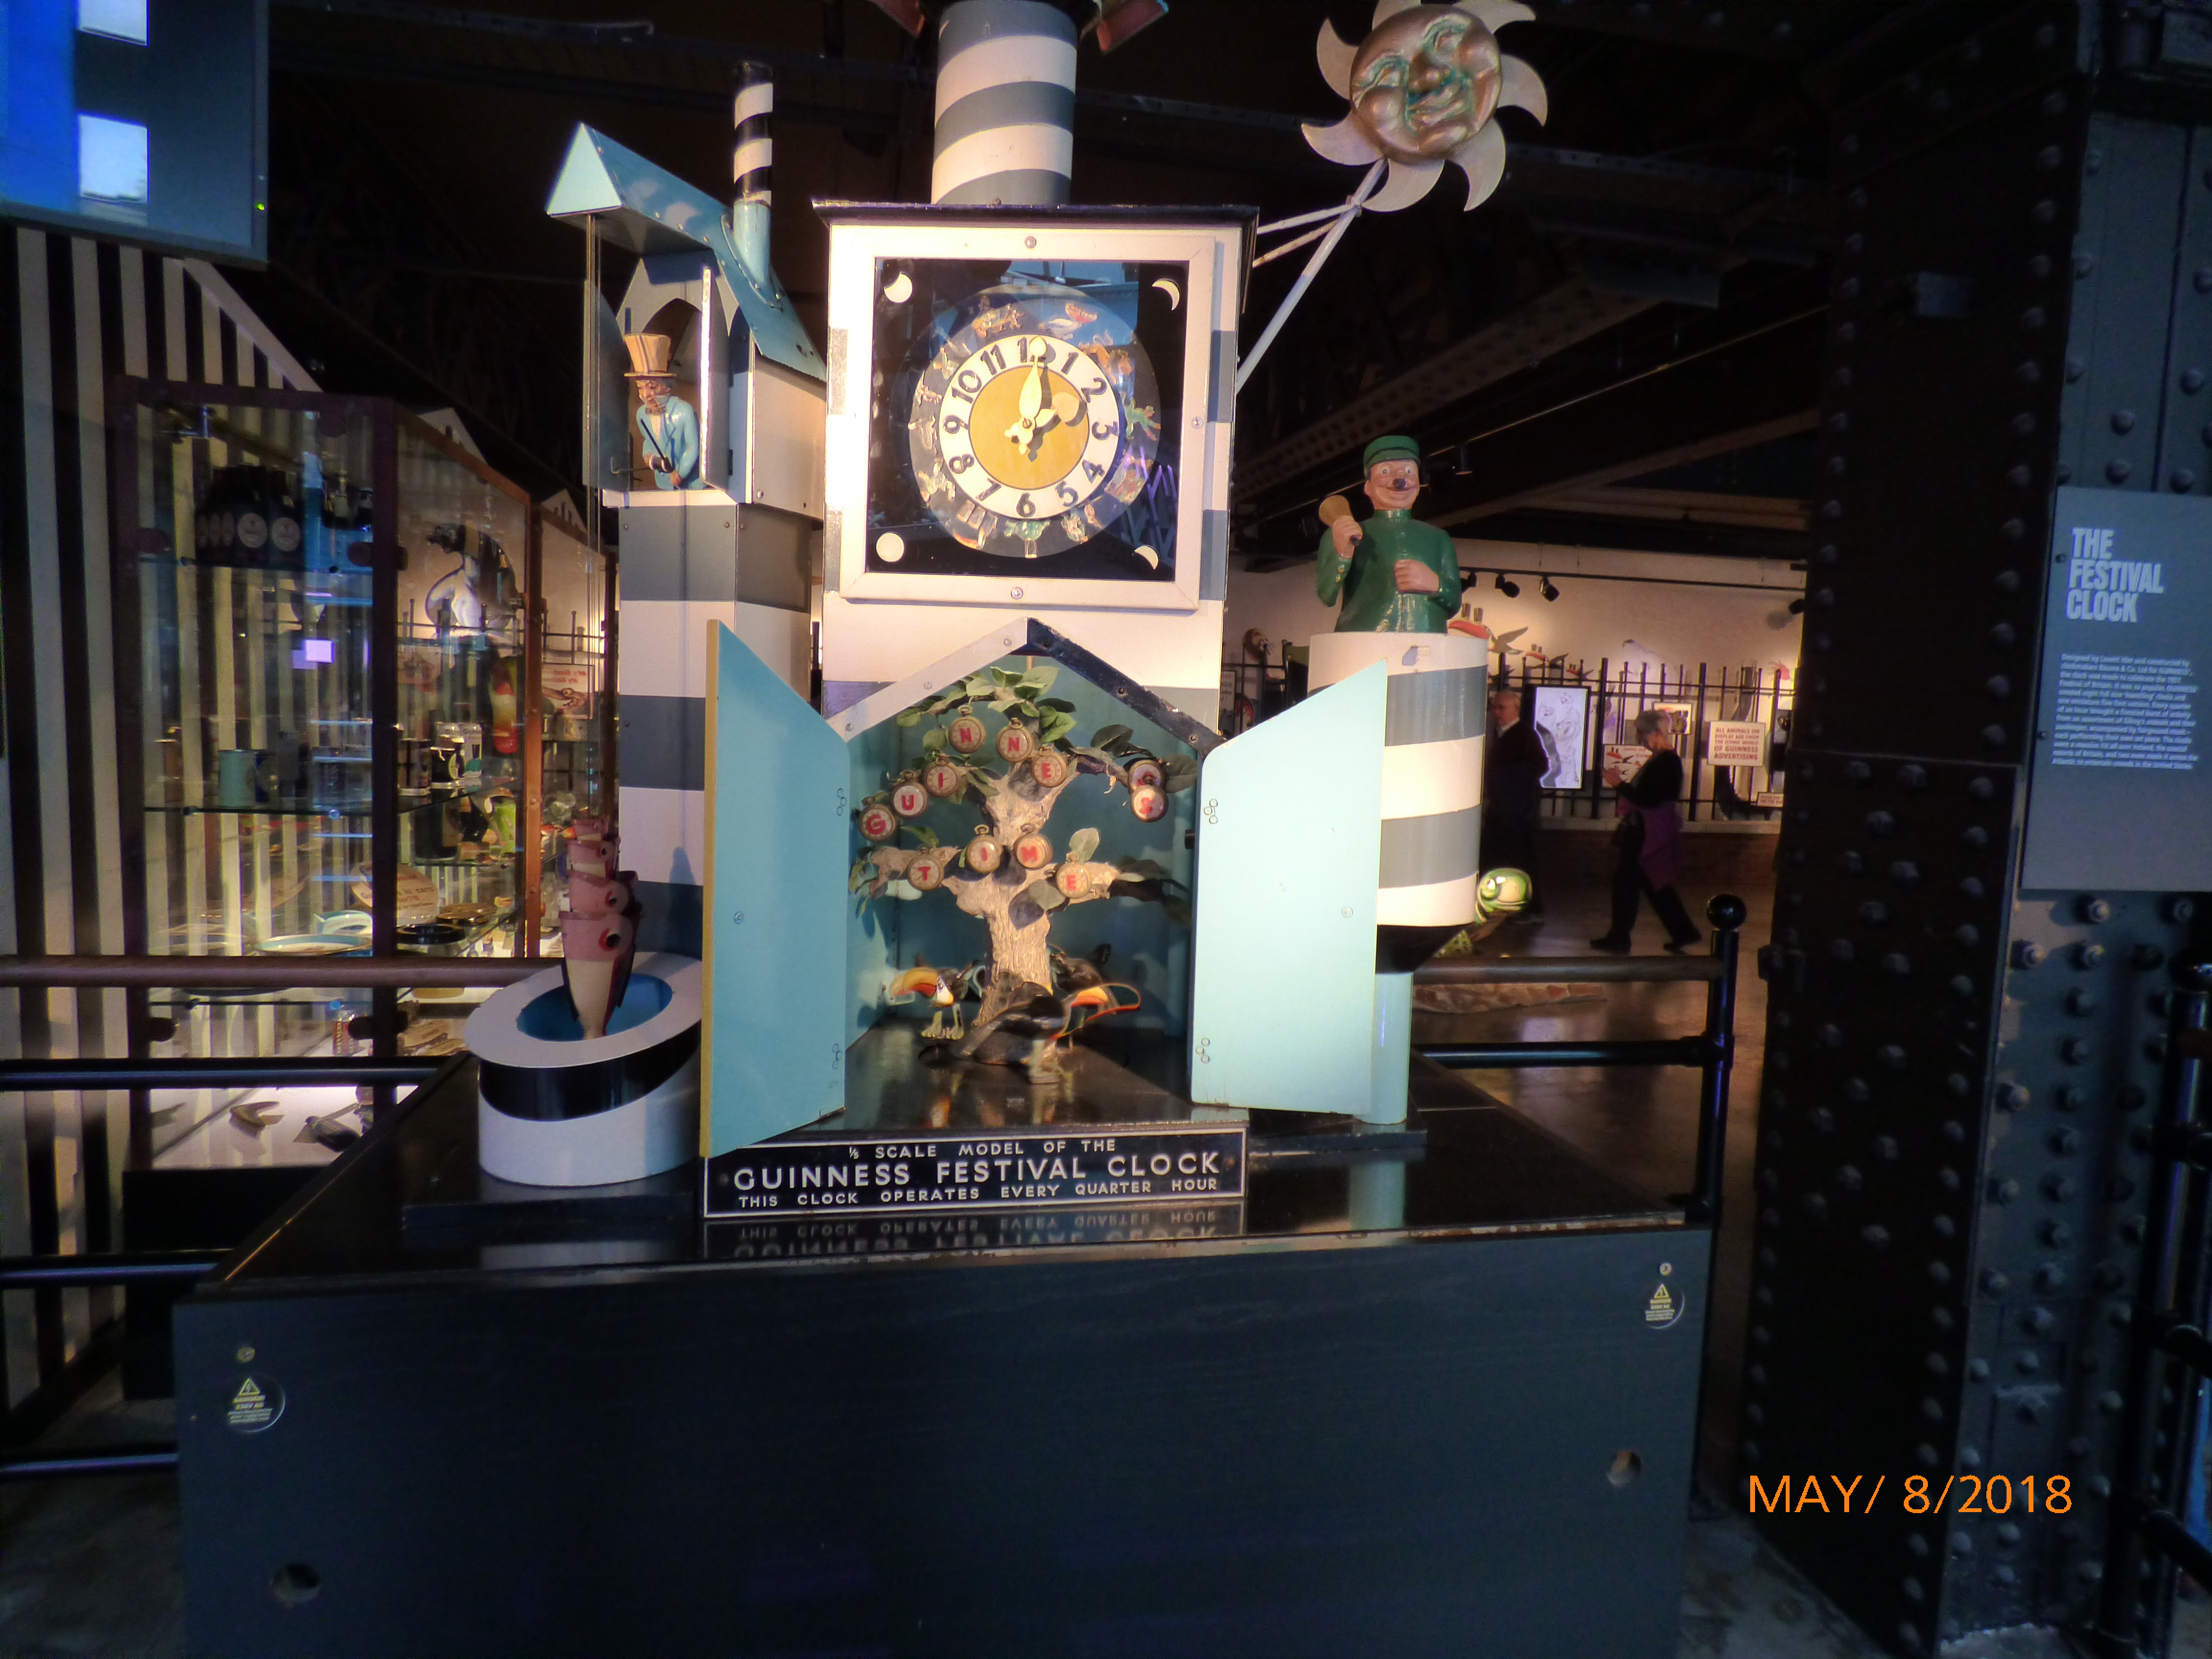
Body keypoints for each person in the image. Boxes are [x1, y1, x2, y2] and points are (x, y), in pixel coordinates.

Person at [1314, 435, 1463, 633]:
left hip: (1427, 644)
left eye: (1409, 472)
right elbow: (1326, 595)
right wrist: (1342, 554)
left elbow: (1454, 602)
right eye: (1386, 472)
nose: (1400, 481)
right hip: (1364, 642)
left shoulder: (1439, 538)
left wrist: (1435, 584)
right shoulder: (1346, 533)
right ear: (1368, 486)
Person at [1590, 708, 1700, 954]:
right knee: (1653, 884)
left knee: (1628, 885)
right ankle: (1683, 932)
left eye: (1642, 733)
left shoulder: (1666, 762)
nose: (1640, 739)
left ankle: (1620, 938)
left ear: (1656, 732)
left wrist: (1620, 785)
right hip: (1646, 831)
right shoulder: (1663, 760)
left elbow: (1649, 798)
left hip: (1645, 833)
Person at [1482, 686, 1546, 917]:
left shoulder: (1525, 735)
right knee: (1496, 859)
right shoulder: (1497, 734)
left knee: (1521, 860)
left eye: (1502, 708)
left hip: (1518, 813)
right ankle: (1501, 903)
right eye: (1495, 708)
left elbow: (1541, 766)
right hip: (1501, 811)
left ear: (1516, 709)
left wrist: (1509, 785)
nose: (1497, 713)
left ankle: (1529, 908)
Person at [623, 333, 702, 491]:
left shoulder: (684, 412)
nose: (646, 394)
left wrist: (681, 473)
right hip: (664, 483)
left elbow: (693, 447)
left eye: (652, 387)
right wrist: (648, 456)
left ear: (667, 387)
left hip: (691, 482)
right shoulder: (642, 415)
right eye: (640, 388)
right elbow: (649, 441)